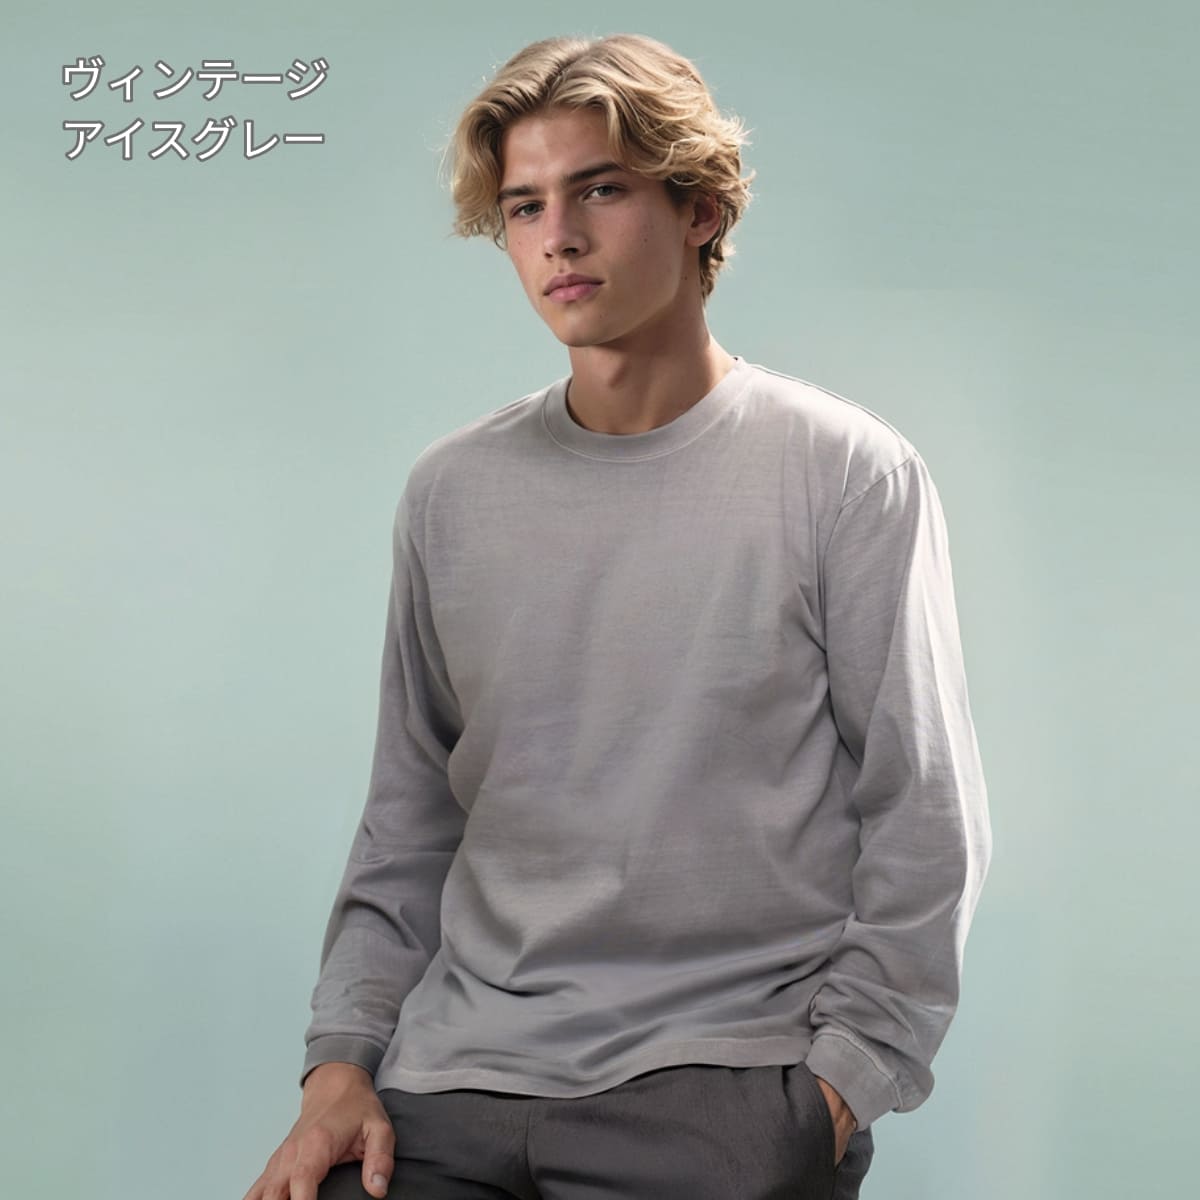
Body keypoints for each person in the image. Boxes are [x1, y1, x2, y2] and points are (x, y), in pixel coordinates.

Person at [244, 32, 992, 1200]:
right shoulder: (451, 492)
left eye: (600, 189)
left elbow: (924, 817)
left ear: (700, 209)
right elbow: (407, 824)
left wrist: (835, 1089)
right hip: (449, 1085)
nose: (558, 236)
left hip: (726, 1090)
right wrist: (337, 1066)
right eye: (525, 205)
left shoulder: (845, 473)